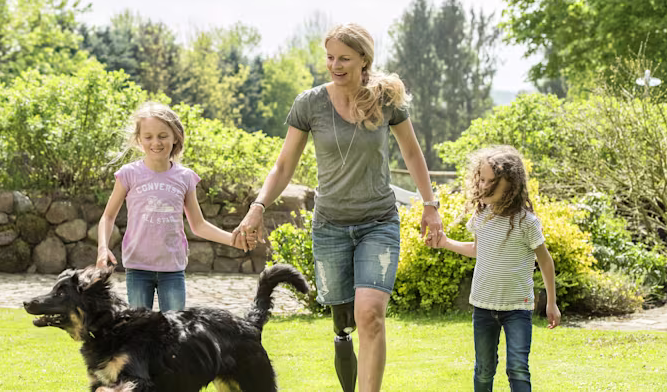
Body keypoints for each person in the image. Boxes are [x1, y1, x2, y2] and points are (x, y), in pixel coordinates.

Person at [233, 23, 443, 392]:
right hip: (330, 226)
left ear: (364, 59)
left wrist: (430, 205)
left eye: (344, 58)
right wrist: (259, 205)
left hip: (378, 221)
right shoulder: (309, 103)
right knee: (344, 323)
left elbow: (411, 152)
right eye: (330, 57)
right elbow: (284, 166)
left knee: (370, 315)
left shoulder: (386, 100)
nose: (335, 65)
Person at [426, 145, 561, 392]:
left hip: (517, 308)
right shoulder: (481, 216)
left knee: (518, 368)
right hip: (483, 307)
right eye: (482, 180)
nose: (484, 186)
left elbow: (545, 260)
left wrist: (551, 302)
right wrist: (444, 242)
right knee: (484, 369)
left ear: (510, 184)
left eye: (492, 181)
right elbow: (478, 249)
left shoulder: (526, 222)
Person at [96, 102, 249, 312]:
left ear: (175, 136)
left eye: (162, 136)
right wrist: (102, 249)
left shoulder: (185, 177)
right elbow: (108, 216)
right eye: (148, 137)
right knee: (141, 333)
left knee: (177, 332)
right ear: (139, 140)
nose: (156, 142)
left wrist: (233, 240)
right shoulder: (128, 174)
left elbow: (199, 225)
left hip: (172, 269)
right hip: (138, 267)